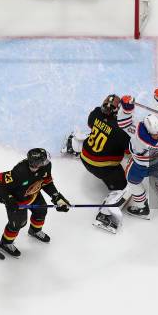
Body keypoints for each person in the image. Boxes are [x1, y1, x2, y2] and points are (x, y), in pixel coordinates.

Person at [62, 94, 131, 233]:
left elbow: (91, 124)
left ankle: (72, 144)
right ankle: (104, 215)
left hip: (84, 156)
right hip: (103, 168)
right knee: (124, 188)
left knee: (93, 134)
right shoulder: (121, 130)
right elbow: (130, 151)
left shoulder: (96, 113)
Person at [0, 148, 70, 258]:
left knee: (41, 211)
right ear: (36, 164)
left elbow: (46, 182)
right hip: (18, 201)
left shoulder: (46, 166)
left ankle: (34, 230)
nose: (47, 162)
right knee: (18, 224)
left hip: (33, 194)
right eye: (44, 161)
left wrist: (56, 197)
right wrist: (8, 200)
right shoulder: (19, 172)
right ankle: (5, 243)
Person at [118, 88, 158, 219]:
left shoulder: (137, 135)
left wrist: (126, 109)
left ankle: (142, 207)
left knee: (133, 182)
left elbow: (123, 123)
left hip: (139, 166)